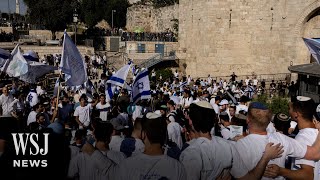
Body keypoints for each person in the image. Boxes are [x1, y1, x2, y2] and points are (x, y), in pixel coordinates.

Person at [179, 101, 283, 180]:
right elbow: (250, 178)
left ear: (191, 122)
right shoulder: (228, 146)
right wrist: (265, 158)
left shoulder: (190, 153)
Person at [234, 102, 320, 180]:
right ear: (269, 122)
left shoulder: (238, 146)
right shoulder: (282, 139)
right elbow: (315, 153)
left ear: (247, 119)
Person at [264, 96, 319, 180]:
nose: (288, 111)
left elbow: (308, 175)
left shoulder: (303, 138)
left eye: (289, 108)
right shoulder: (317, 132)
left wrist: (280, 171)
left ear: (296, 114)